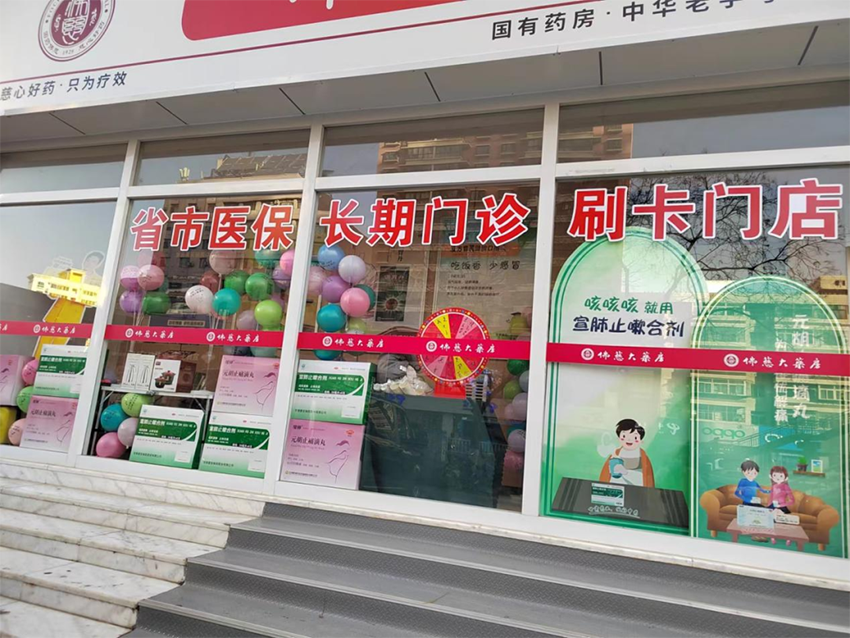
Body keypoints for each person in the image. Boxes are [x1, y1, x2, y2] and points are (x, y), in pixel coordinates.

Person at [599, 419, 655, 487]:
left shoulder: (643, 458)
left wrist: (626, 473)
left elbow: (647, 480)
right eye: (624, 436)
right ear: (618, 438)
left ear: (641, 441)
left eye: (635, 437)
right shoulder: (615, 455)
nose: (629, 439)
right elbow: (605, 476)